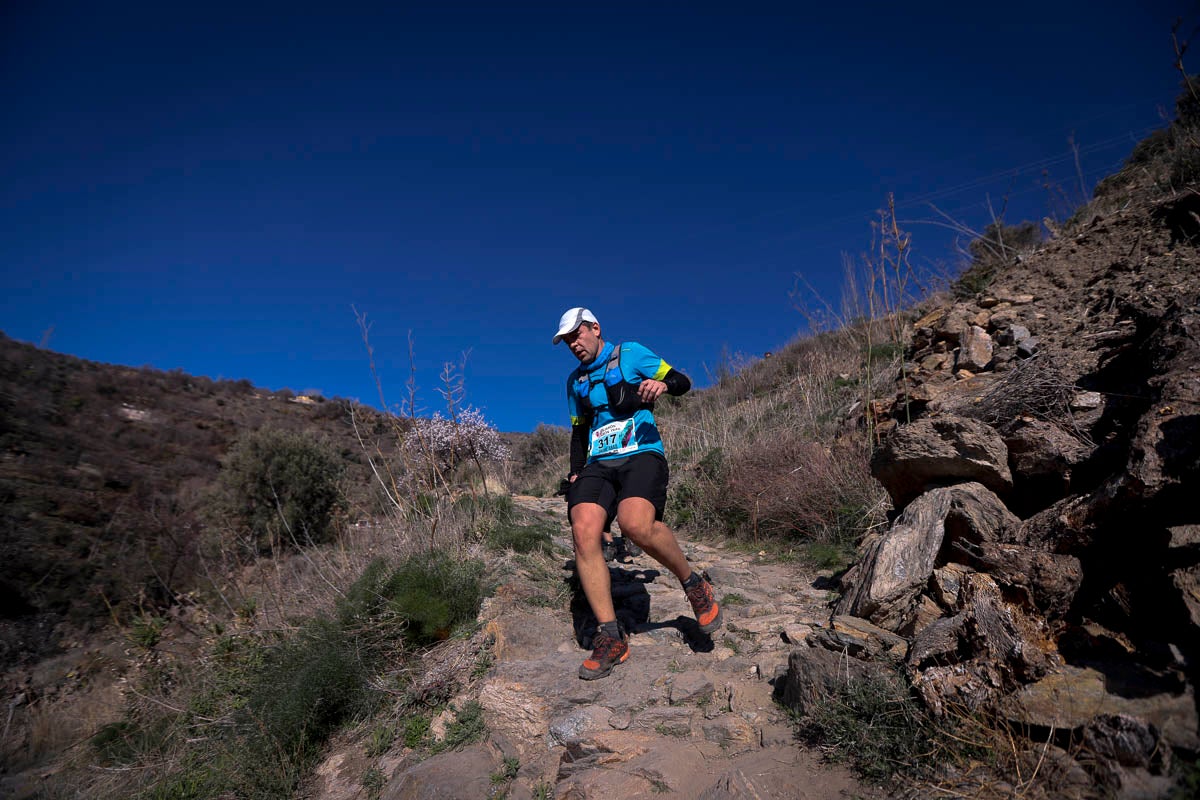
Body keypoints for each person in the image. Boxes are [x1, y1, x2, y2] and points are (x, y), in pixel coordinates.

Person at [553, 307, 721, 680]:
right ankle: (611, 636)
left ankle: (694, 585)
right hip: (600, 461)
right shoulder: (574, 382)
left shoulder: (630, 354)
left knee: (635, 524)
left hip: (641, 453)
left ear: (595, 328)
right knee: (584, 528)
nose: (574, 344)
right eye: (567, 341)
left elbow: (681, 381)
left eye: (577, 335)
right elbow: (579, 432)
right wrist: (576, 472)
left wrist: (662, 385)